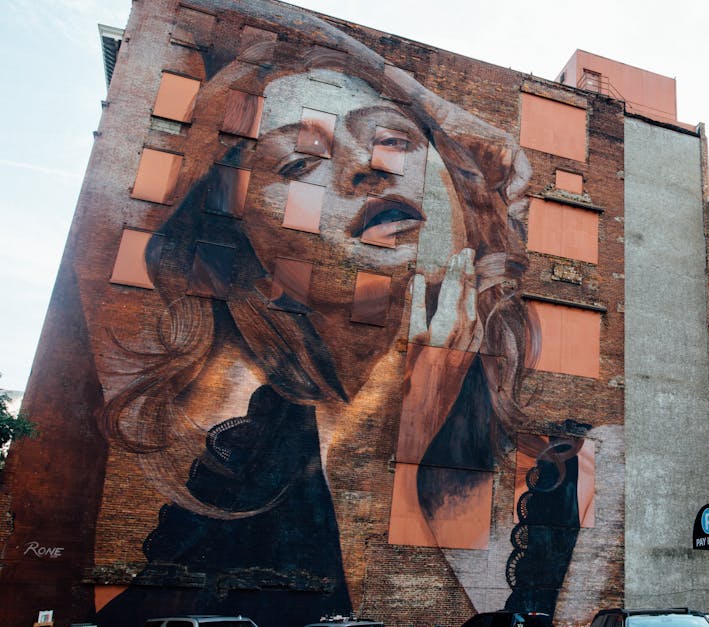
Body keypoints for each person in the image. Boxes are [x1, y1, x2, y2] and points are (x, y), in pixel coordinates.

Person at [89, 5, 571, 625]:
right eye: (299, 163)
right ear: (255, 259)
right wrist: (395, 424)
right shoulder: (239, 463)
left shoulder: (575, 466)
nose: (366, 165)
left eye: (394, 138)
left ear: (456, 189)